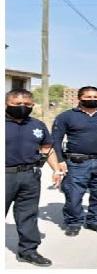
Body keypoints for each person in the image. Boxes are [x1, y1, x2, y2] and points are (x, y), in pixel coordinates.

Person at [51, 86, 97, 237]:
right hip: (77, 162)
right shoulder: (66, 117)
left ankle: (95, 221)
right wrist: (59, 160)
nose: (92, 99)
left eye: (95, 97)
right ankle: (73, 222)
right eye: (88, 97)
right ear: (79, 98)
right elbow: (56, 140)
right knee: (73, 195)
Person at [6, 89, 62, 267]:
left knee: (28, 214)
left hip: (30, 175)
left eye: (27, 104)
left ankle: (28, 251)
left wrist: (56, 170)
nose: (22, 107)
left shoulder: (37, 125)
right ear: (6, 103)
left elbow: (47, 148)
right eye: (17, 104)